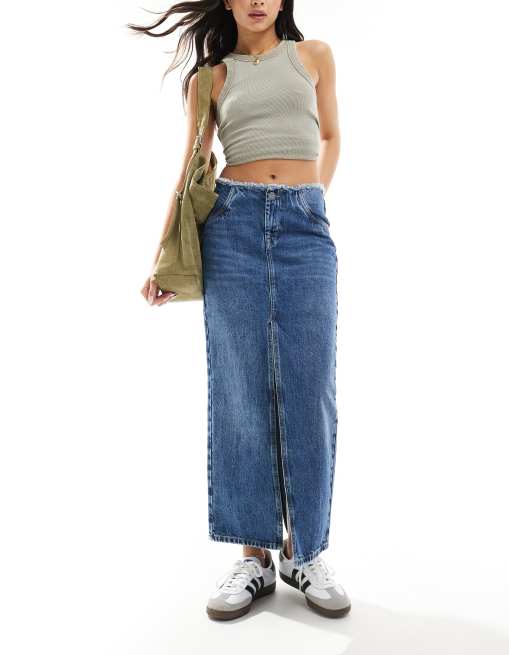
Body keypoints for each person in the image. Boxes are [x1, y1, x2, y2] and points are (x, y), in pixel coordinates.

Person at [133, 0, 351, 620]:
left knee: (310, 386)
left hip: (306, 228)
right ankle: (254, 556)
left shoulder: (313, 56)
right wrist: (164, 257)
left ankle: (304, 551)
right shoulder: (211, 77)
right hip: (231, 228)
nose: (257, 0)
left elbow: (331, 136)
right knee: (239, 389)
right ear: (227, 2)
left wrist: (308, 200)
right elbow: (191, 166)